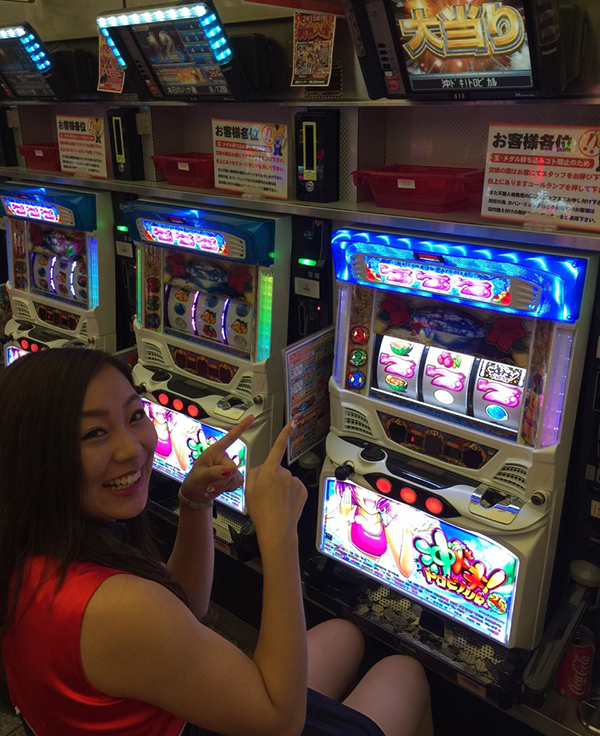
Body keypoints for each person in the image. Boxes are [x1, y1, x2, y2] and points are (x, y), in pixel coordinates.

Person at [0, 348, 433, 736]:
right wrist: (280, 534)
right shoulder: (116, 607)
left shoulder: (34, 549)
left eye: (134, 415)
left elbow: (181, 612)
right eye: (94, 433)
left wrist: (195, 503)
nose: (131, 449)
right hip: (257, 720)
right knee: (406, 673)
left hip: (165, 714)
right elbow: (279, 721)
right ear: (36, 455)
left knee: (345, 633)